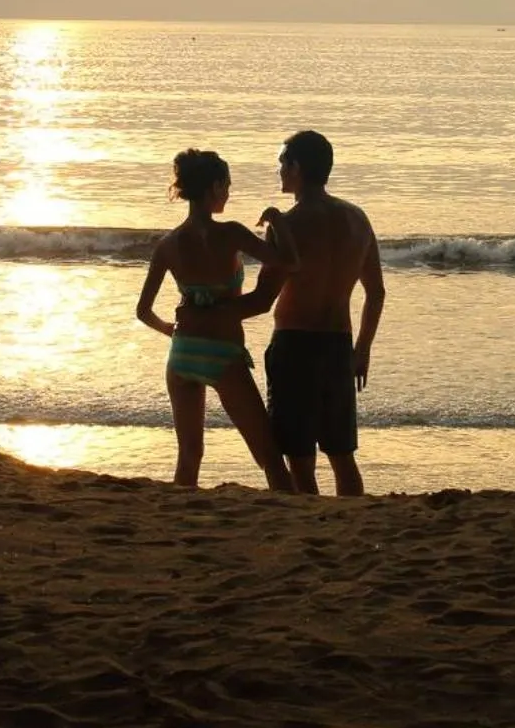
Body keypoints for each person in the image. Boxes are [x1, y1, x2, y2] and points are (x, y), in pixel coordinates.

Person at [184, 129, 383, 496]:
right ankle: (352, 520)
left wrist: (208, 313)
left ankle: (311, 522)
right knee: (342, 455)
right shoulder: (357, 219)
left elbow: (262, 301)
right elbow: (376, 293)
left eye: (282, 162)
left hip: (295, 346)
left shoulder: (288, 226)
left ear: (297, 168)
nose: (278, 169)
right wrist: (363, 349)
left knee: (300, 458)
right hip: (339, 345)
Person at [135, 147, 297, 492]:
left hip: (182, 354)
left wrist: (170, 330)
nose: (228, 193)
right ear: (213, 188)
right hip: (222, 354)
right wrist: (278, 220)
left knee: (189, 456)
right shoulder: (232, 233)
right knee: (269, 457)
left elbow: (143, 311)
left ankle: (179, 517)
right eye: (226, 186)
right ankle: (294, 512)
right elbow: (289, 262)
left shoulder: (167, 244)